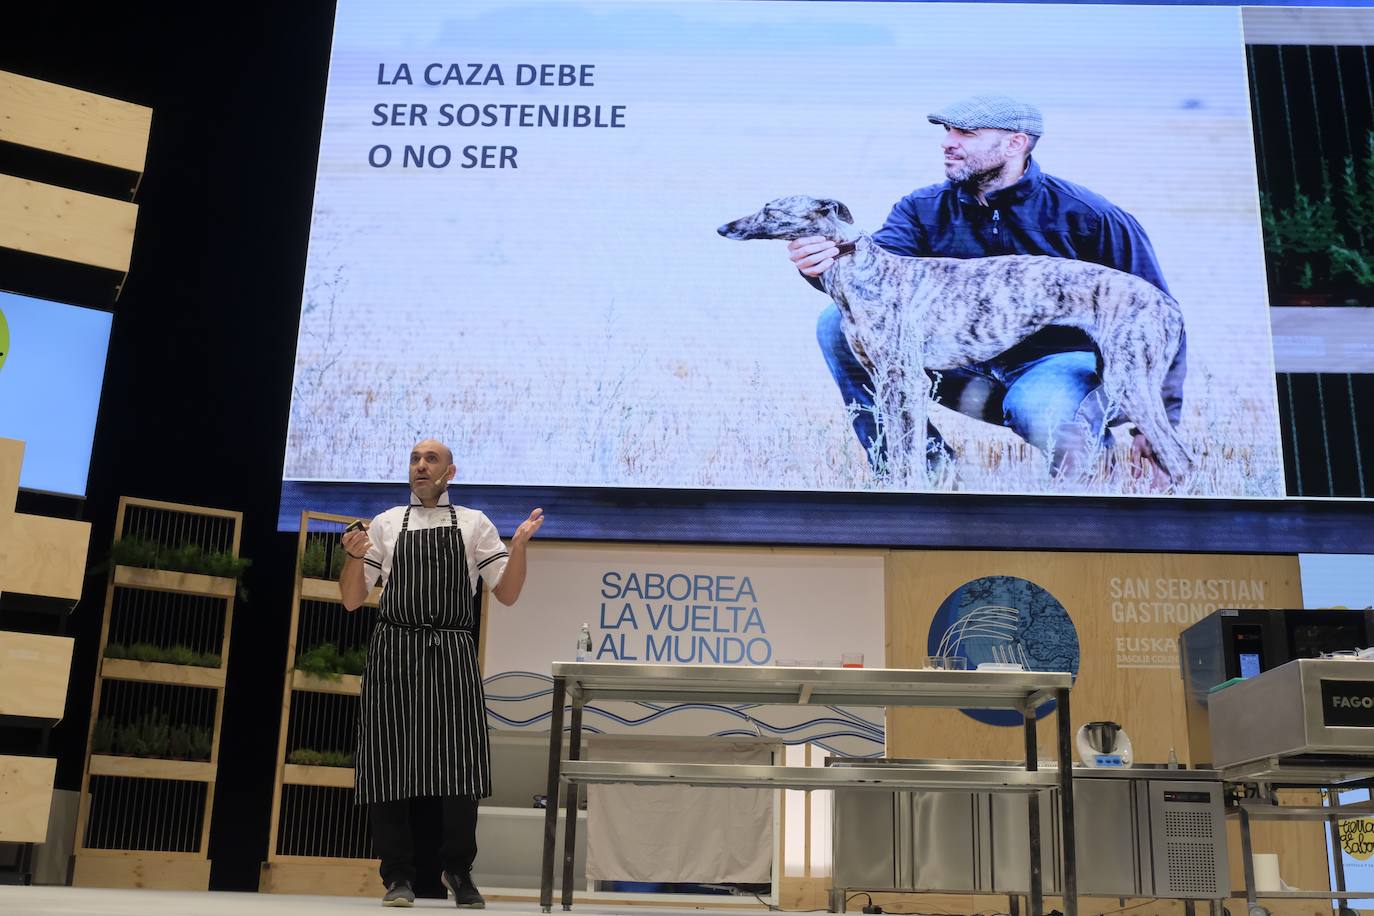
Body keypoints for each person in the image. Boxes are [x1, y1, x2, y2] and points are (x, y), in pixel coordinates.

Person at [789, 93, 1186, 484]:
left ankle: (1100, 478)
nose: (947, 142)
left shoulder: (1092, 216)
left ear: (1016, 143)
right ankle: (920, 478)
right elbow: (871, 290)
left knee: (1047, 414)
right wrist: (821, 265)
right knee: (836, 323)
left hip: (1053, 371)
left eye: (966, 133)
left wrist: (1153, 426)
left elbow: (1154, 318)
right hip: (960, 370)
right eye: (946, 131)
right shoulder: (921, 208)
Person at [340, 438, 544, 908]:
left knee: (461, 766)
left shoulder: (474, 524)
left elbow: (507, 594)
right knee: (387, 760)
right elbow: (352, 599)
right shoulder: (387, 524)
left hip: (452, 648)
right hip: (394, 649)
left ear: (450, 472)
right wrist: (353, 557)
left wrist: (520, 548)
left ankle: (458, 869)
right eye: (414, 459)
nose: (420, 466)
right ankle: (397, 876)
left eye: (431, 459)